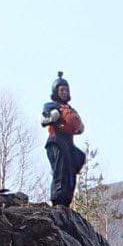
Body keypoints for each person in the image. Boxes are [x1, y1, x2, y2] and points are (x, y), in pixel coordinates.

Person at [40, 73, 87, 208]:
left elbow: (78, 127)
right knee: (60, 170)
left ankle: (66, 201)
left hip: (68, 144)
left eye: (66, 90)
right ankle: (57, 199)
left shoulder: (71, 110)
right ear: (56, 91)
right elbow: (44, 119)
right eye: (61, 90)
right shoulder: (51, 105)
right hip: (56, 141)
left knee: (75, 164)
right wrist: (51, 118)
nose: (64, 92)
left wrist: (77, 126)